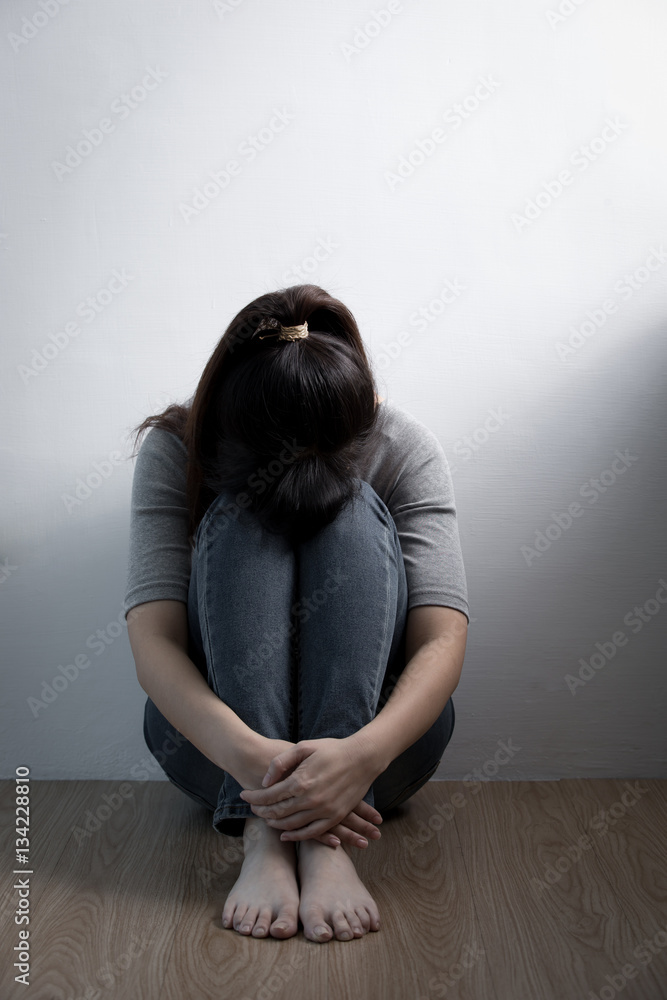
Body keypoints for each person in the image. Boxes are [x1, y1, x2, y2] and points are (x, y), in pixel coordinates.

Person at [123, 283, 469, 943]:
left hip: (382, 756)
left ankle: (328, 844)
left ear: (359, 412)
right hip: (219, 757)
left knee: (349, 513)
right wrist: (255, 765)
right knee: (239, 513)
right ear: (224, 417)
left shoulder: (400, 442)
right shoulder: (178, 447)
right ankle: (264, 836)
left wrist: (359, 756)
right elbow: (154, 642)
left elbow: (442, 636)